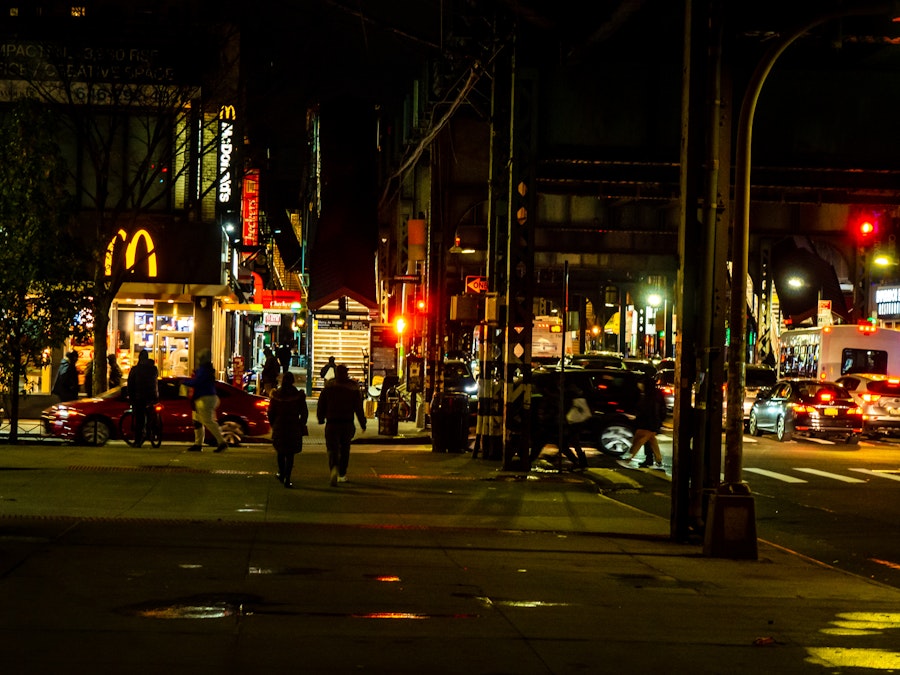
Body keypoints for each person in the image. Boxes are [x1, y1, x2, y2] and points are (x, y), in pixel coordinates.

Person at [316, 364, 366, 486]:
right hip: (347, 422)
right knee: (345, 449)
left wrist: (321, 418)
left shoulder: (329, 386)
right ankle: (342, 474)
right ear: (346, 373)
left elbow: (321, 404)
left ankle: (333, 467)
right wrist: (362, 423)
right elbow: (358, 408)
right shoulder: (353, 387)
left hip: (332, 422)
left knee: (332, 448)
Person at [267, 371, 308, 488]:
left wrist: (273, 424)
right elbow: (304, 413)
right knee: (290, 455)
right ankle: (287, 478)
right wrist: (301, 424)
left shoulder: (276, 395)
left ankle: (281, 473)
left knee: (280, 452)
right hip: (293, 426)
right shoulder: (298, 395)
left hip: (280, 426)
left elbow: (270, 412)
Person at [183, 349, 228, 453]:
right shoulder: (206, 369)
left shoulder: (204, 370)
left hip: (204, 398)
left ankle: (221, 442)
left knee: (208, 421)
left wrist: (186, 382)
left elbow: (198, 382)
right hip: (205, 397)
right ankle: (198, 444)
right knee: (197, 421)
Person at [617, 375, 665, 471]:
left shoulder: (649, 395)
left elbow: (647, 409)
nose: (639, 385)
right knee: (652, 442)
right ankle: (659, 463)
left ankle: (628, 459)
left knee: (638, 440)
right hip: (651, 423)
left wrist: (636, 416)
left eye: (641, 383)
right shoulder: (653, 394)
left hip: (648, 423)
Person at [126, 349, 159, 447]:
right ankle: (153, 433)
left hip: (139, 397)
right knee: (151, 415)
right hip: (152, 397)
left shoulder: (135, 369)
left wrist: (130, 397)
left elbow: (130, 384)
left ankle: (138, 440)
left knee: (139, 419)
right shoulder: (154, 369)